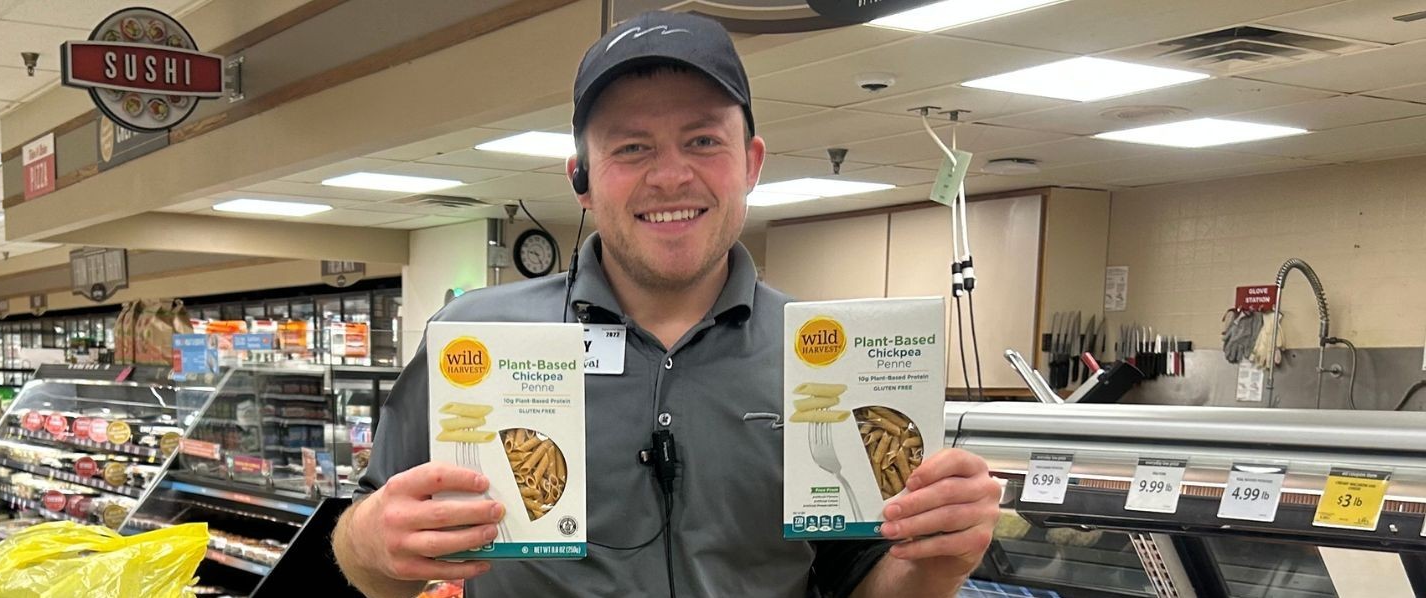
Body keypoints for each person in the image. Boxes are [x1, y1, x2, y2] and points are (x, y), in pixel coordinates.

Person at [332, 11, 1001, 597]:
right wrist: (371, 541)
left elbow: (863, 584)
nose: (671, 174)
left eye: (704, 140)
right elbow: (370, 559)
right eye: (632, 147)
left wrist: (940, 562)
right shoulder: (474, 335)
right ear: (582, 180)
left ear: (751, 163)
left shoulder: (824, 360)